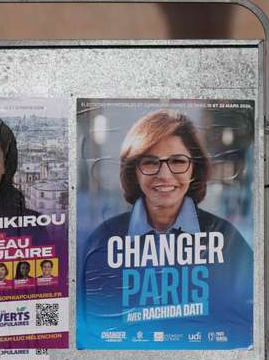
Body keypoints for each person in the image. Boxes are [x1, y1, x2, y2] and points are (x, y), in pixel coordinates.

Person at [81, 109, 253, 337]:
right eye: (150, 162)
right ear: (134, 171)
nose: (164, 174)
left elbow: (247, 327)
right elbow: (93, 330)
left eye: (178, 161)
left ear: (194, 169)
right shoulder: (103, 241)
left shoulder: (226, 241)